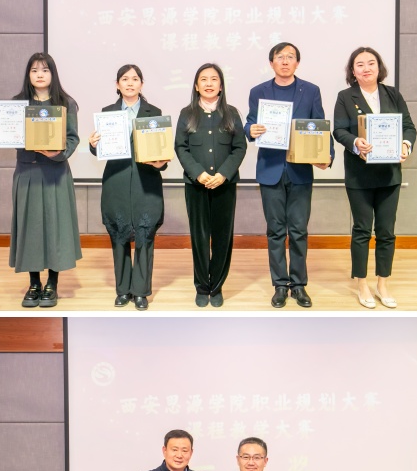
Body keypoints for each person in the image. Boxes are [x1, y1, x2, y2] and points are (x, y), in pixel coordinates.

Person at [0, 50, 81, 309]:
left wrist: (57, 152)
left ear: (53, 74)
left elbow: (72, 139)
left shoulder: (66, 103)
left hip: (55, 173)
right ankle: (34, 283)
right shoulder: (17, 104)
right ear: (28, 74)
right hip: (27, 172)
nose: (40, 75)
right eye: (34, 70)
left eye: (45, 70)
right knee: (30, 227)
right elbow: (10, 135)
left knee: (55, 226)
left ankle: (52, 283)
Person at [245, 41, 330, 307]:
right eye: (280, 57)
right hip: (270, 170)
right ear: (271, 63)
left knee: (299, 230)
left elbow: (319, 126)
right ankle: (280, 285)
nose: (285, 61)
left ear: (297, 62)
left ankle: (299, 285)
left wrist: (326, 156)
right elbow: (249, 122)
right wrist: (250, 130)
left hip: (300, 171)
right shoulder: (258, 91)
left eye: (290, 57)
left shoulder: (311, 91)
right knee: (275, 231)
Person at [332, 46, 417, 309]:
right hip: (359, 176)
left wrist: (405, 144)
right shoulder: (345, 97)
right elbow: (339, 130)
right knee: (361, 230)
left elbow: (408, 127)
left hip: (389, 174)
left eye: (371, 63)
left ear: (379, 67)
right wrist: (355, 142)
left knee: (386, 231)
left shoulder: (393, 94)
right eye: (360, 64)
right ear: (352, 70)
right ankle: (362, 284)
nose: (366, 68)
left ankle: (383, 283)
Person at [88, 62, 167, 309]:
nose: (130, 83)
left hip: (146, 180)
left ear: (141, 84)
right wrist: (93, 144)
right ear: (117, 84)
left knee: (145, 234)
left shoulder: (154, 112)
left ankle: (141, 291)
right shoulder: (107, 113)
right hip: (117, 180)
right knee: (119, 234)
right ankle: (123, 290)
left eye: (135, 79)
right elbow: (101, 150)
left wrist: (161, 161)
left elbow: (161, 150)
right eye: (125, 79)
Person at [174, 61, 248, 308]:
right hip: (195, 185)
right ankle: (201, 286)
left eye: (214, 79)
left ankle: (216, 286)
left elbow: (239, 147)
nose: (209, 83)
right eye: (203, 79)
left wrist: (224, 174)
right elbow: (181, 147)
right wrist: (198, 173)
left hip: (224, 185)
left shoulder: (231, 113)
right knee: (199, 237)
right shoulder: (187, 113)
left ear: (221, 86)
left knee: (222, 237)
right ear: (196, 86)